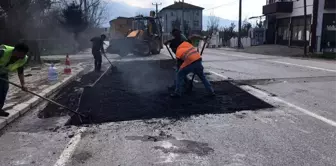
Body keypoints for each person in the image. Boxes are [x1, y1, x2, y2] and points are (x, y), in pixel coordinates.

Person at [166, 29, 215, 98]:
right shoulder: (186, 43)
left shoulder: (178, 50)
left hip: (190, 62)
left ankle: (177, 92)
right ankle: (211, 92)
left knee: (179, 74)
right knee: (202, 77)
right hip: (198, 60)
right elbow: (193, 36)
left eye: (173, 49)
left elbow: (179, 63)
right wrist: (203, 38)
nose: (173, 50)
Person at [0, 43, 29, 117]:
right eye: (21, 54)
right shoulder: (3, 52)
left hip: (3, 73)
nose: (21, 57)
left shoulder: (23, 58)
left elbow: (20, 71)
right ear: (16, 51)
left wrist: (23, 84)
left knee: (3, 90)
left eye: (24, 55)